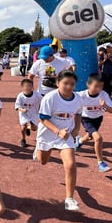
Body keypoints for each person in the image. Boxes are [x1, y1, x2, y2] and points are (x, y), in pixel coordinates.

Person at [34, 71, 83, 211]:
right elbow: (42, 118)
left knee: (71, 164)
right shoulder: (50, 98)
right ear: (57, 83)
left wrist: (76, 129)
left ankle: (69, 199)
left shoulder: (78, 99)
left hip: (66, 136)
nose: (68, 87)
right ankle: (38, 149)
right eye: (65, 83)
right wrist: (57, 131)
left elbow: (78, 113)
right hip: (47, 134)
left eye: (72, 84)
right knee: (43, 161)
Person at [76, 74, 112, 173]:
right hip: (86, 118)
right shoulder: (81, 95)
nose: (98, 88)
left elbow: (111, 110)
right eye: (96, 86)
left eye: (101, 86)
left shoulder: (103, 94)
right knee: (98, 137)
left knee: (90, 137)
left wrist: (104, 105)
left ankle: (79, 142)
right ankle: (101, 163)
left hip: (98, 118)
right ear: (88, 84)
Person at [15, 79, 42, 147]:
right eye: (26, 86)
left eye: (30, 86)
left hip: (33, 113)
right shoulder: (20, 96)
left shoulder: (37, 95)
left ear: (32, 86)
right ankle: (23, 139)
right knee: (23, 127)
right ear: (22, 87)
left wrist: (41, 109)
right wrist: (22, 110)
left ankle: (29, 128)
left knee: (34, 128)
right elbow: (17, 106)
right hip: (23, 113)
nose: (28, 88)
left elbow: (43, 101)